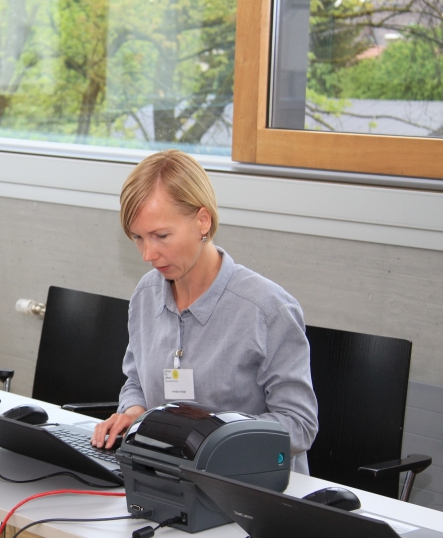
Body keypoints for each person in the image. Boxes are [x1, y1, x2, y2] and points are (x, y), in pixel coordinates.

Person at [91, 150, 318, 473]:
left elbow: (299, 425)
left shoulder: (266, 309)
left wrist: (208, 438)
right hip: (170, 478)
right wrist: (133, 412)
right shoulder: (146, 293)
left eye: (161, 236)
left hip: (249, 485)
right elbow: (136, 381)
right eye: (138, 238)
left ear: (202, 220)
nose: (148, 254)